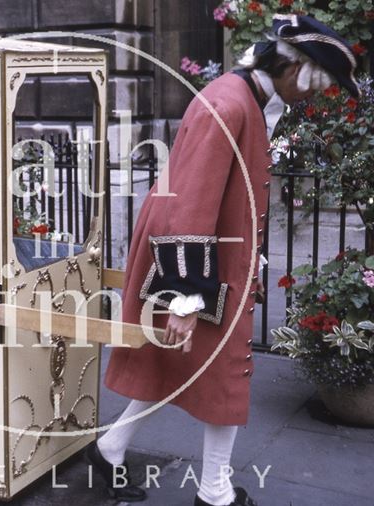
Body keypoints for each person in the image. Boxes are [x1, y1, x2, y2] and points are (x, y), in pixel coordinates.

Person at [87, 15, 360, 506]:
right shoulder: (228, 104)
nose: (313, 99)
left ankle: (110, 450)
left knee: (181, 365)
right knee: (224, 369)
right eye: (315, 87)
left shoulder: (242, 99)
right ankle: (214, 492)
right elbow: (190, 204)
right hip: (195, 259)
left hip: (209, 257)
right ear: (294, 70)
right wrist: (184, 300)